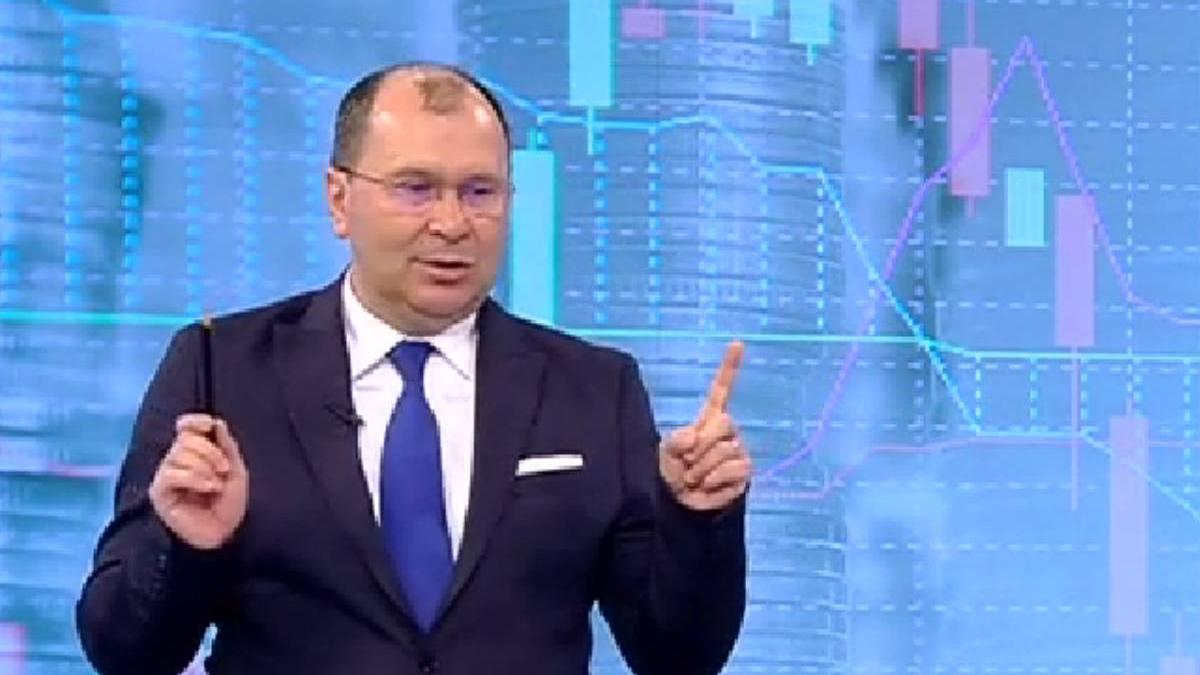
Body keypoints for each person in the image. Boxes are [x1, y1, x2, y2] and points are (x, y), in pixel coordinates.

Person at [75, 62, 751, 675]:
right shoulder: (224, 369)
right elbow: (123, 653)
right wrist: (183, 549)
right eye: (416, 189)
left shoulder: (595, 389)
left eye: (480, 191)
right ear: (339, 200)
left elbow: (678, 657)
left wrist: (697, 522)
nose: (452, 223)